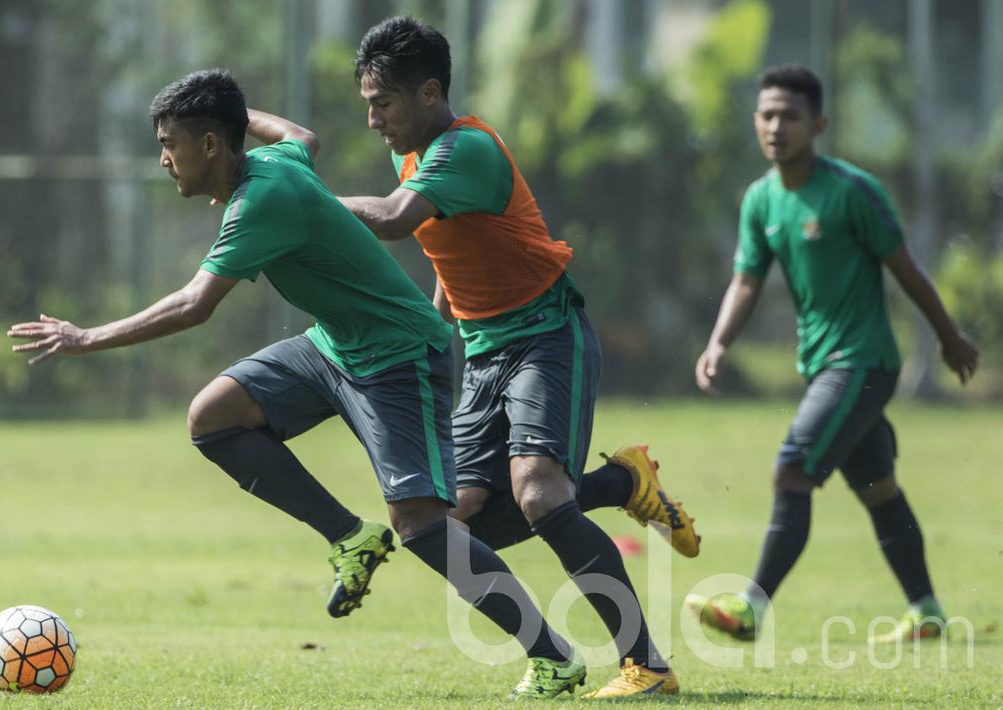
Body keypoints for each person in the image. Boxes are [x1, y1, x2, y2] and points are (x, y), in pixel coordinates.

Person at [8, 69, 588, 699]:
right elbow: (300, 134)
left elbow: (195, 305)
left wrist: (86, 338)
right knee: (213, 417)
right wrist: (227, 111)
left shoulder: (260, 199)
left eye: (171, 142)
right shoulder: (276, 159)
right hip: (333, 345)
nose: (163, 158)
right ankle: (348, 535)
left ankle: (553, 656)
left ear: (208, 147)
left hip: (398, 354)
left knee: (422, 525)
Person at [336, 16, 695, 698]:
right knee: (450, 526)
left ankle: (646, 666)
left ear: (428, 93)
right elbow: (455, 242)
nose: (373, 119)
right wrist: (439, 324)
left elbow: (390, 220)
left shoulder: (464, 148)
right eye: (367, 105)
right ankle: (621, 486)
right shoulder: (410, 154)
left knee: (536, 492)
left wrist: (299, 198)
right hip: (483, 352)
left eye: (381, 103)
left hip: (545, 336)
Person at [685, 65, 979, 644]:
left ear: (817, 124)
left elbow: (907, 271)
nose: (776, 126)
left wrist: (948, 336)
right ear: (755, 121)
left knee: (792, 471)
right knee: (878, 488)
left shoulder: (851, 191)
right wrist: (719, 342)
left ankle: (750, 608)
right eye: (767, 114)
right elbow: (746, 281)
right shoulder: (761, 200)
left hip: (864, 361)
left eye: (790, 116)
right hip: (824, 364)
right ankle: (926, 610)